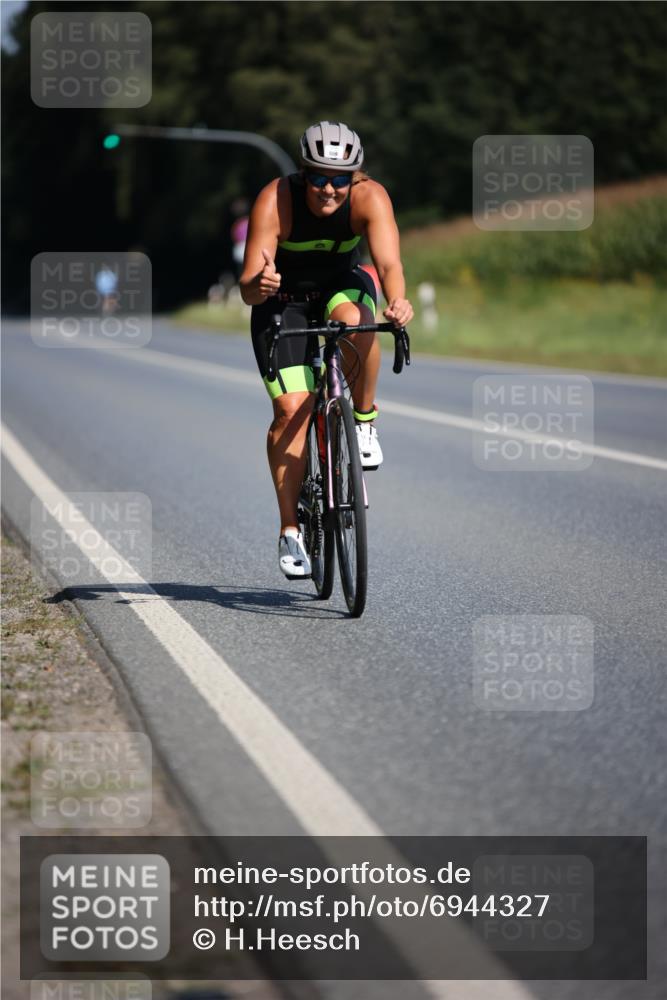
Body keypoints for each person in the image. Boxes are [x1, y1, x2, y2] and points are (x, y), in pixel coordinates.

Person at [240, 121, 413, 580]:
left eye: (340, 179)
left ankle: (364, 422)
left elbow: (389, 262)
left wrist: (398, 300)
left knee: (359, 318)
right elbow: (247, 287)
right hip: (283, 301)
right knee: (291, 413)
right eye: (318, 177)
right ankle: (291, 530)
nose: (329, 189)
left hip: (338, 286)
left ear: (356, 177)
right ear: (303, 173)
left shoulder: (370, 197)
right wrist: (259, 285)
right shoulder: (275, 199)